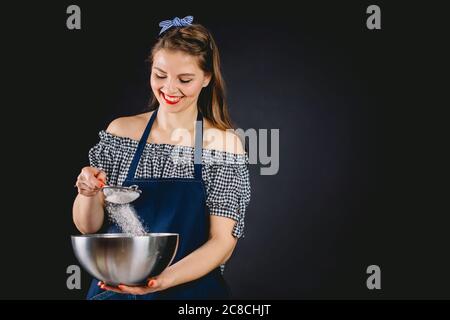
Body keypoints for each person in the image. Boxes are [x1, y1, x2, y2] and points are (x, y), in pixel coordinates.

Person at [72, 16, 251, 300]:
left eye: (185, 79)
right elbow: (88, 226)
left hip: (191, 293)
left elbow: (222, 244)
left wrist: (160, 281)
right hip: (116, 290)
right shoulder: (121, 131)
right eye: (160, 75)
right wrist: (87, 193)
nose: (169, 88)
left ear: (207, 78)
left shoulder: (224, 145)